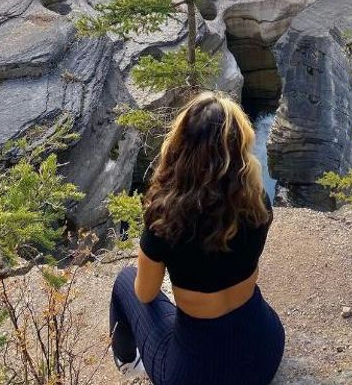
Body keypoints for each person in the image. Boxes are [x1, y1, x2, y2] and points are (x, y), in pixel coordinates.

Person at [110, 91, 285, 385]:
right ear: (240, 147)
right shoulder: (257, 203)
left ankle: (128, 364)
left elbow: (146, 294)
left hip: (194, 374)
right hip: (264, 353)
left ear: (181, 145)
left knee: (125, 282)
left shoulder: (165, 218)